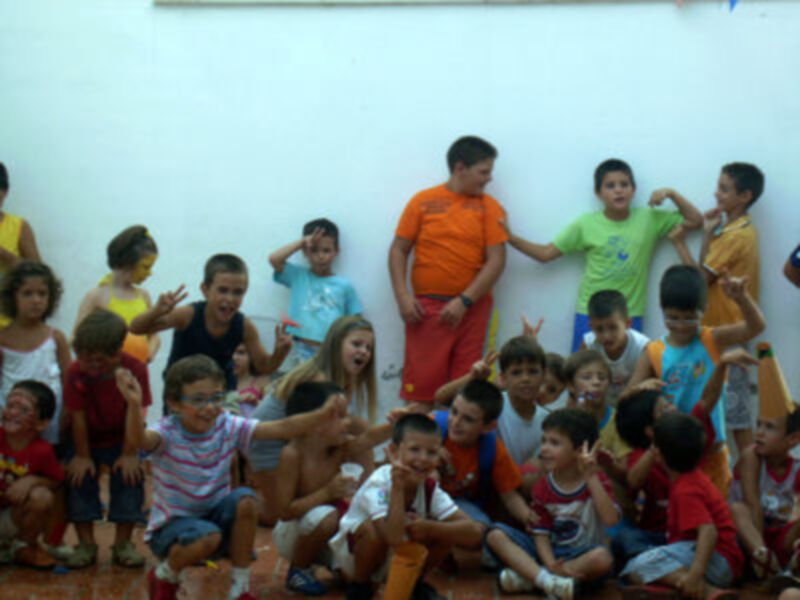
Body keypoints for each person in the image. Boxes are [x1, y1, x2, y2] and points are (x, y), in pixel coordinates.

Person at [116, 354, 347, 600]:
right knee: (208, 535)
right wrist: (133, 404)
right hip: (172, 529)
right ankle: (164, 575)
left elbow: (282, 428)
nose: (210, 407)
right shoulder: (166, 432)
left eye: (217, 397)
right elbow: (138, 440)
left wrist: (321, 415)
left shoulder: (227, 424)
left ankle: (240, 589)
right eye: (198, 400)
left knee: (247, 501)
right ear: (174, 403)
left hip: (214, 520)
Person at [503, 158, 702, 351]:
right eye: (610, 185)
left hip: (629, 314)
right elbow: (546, 254)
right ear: (598, 193)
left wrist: (672, 194)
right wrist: (512, 239)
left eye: (624, 184)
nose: (618, 189)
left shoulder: (649, 219)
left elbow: (695, 220)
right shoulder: (585, 224)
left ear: (633, 190)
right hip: (591, 313)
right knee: (583, 373)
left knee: (628, 375)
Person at [628, 265, 766, 495]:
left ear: (705, 310)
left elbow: (756, 326)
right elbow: (629, 395)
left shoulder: (711, 338)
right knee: (686, 515)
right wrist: (643, 387)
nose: (681, 325)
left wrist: (742, 299)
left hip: (712, 449)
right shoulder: (653, 350)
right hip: (674, 453)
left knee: (717, 513)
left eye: (690, 318)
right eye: (673, 318)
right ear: (662, 310)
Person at [389, 136, 507, 404]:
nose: (489, 179)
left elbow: (497, 260)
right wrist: (402, 298)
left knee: (467, 394)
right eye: (484, 172)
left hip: (472, 311)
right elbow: (398, 249)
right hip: (426, 312)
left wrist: (464, 301)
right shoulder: (423, 201)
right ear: (460, 167)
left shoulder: (489, 207)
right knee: (421, 396)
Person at [614, 347, 757, 566]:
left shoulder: (684, 437)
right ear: (649, 430)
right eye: (664, 409)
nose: (673, 407)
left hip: (691, 541)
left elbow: (708, 399)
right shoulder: (644, 455)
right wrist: (655, 446)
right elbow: (634, 479)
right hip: (658, 537)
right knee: (625, 539)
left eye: (668, 403)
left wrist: (721, 365)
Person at [329, 413, 483, 600]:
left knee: (446, 532)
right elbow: (392, 537)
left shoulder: (429, 488)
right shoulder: (379, 482)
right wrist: (398, 488)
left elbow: (475, 532)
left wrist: (432, 528)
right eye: (414, 450)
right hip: (356, 560)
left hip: (395, 557)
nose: (423, 458)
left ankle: (413, 584)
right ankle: (359, 588)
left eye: (431, 452)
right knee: (373, 531)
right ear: (394, 451)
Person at [272, 381, 405, 595]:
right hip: (294, 535)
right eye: (339, 416)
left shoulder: (339, 448)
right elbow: (284, 511)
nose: (348, 422)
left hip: (326, 532)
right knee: (328, 517)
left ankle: (335, 570)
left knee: (360, 572)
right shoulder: (292, 454)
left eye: (347, 415)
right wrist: (327, 492)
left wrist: (396, 424)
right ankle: (298, 570)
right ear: (312, 423)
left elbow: (368, 439)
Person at [670, 162, 764, 456]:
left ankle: (750, 493)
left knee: (737, 420)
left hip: (729, 335)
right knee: (719, 412)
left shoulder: (737, 235)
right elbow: (706, 270)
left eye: (725, 189)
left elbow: (698, 280)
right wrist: (709, 234)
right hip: (719, 335)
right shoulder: (732, 229)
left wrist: (679, 242)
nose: (716, 193)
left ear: (745, 195)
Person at [248, 315, 377, 525]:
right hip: (268, 444)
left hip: (295, 439)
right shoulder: (319, 379)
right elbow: (308, 438)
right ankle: (239, 503)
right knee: (280, 516)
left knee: (359, 426)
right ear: (335, 346)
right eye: (356, 344)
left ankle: (367, 502)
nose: (363, 351)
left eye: (368, 348)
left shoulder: (346, 378)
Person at [487, 408, 618, 598]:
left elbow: (610, 519)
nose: (544, 449)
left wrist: (591, 478)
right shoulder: (543, 487)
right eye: (544, 441)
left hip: (580, 557)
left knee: (602, 559)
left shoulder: (597, 481)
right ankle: (549, 582)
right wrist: (549, 563)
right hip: (548, 553)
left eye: (554, 443)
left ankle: (532, 578)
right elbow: (541, 533)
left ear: (580, 450)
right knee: (495, 535)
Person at [619, 412, 743, 599]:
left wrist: (695, 575)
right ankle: (678, 589)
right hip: (718, 559)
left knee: (635, 568)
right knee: (635, 552)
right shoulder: (692, 478)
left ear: (658, 454)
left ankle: (706, 591)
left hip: (717, 561)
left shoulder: (685, 489)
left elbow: (709, 532)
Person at [130, 253, 291, 396]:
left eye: (237, 292)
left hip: (220, 396)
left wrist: (279, 353)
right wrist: (156, 311)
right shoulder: (188, 315)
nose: (229, 299)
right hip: (181, 396)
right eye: (223, 290)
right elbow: (136, 328)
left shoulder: (244, 325)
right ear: (205, 289)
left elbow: (263, 366)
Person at [63, 310, 150, 569]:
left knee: (130, 476)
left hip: (123, 438)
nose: (90, 366)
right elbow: (76, 416)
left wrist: (129, 453)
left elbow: (136, 415)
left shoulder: (135, 369)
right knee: (78, 477)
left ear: (115, 355)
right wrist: (81, 455)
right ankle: (86, 543)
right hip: (85, 438)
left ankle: (123, 543)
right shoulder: (75, 372)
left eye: (97, 361)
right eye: (84, 358)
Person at [435, 379, 537, 535]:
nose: (455, 422)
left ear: (488, 427)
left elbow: (510, 497)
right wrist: (427, 452)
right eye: (454, 412)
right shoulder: (432, 426)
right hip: (422, 494)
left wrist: (529, 519)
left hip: (458, 503)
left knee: (482, 531)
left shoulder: (492, 449)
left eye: (468, 419)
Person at [435, 336, 547, 468]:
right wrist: (472, 377)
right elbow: (441, 397)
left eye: (532, 371)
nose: (525, 379)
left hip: (514, 481)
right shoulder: (493, 402)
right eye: (516, 373)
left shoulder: (547, 421)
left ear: (544, 375)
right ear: (503, 378)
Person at [269, 218, 363, 372]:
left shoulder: (344, 286)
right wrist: (302, 242)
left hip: (332, 352)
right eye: (314, 250)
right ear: (305, 252)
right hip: (300, 349)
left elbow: (356, 320)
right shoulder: (297, 275)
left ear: (336, 251)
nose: (320, 256)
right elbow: (274, 259)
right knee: (302, 393)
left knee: (328, 393)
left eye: (326, 250)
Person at [0, 261, 70, 444]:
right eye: (27, 294)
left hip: (48, 422)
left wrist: (66, 417)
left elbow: (70, 382)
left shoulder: (56, 338)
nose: (36, 300)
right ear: (13, 297)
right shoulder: (2, 339)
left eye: (42, 294)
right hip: (10, 421)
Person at [729, 406, 800, 579]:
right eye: (758, 424)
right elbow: (753, 505)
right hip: (749, 535)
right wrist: (762, 551)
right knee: (737, 509)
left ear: (793, 439)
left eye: (769, 427)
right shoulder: (752, 457)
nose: (759, 433)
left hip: (780, 537)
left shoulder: (797, 468)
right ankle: (764, 562)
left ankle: (787, 565)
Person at [74, 225, 160, 364]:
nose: (149, 273)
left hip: (137, 371)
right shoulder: (97, 295)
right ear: (128, 261)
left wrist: (150, 351)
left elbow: (154, 334)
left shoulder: (143, 296)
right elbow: (77, 337)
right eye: (145, 267)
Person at [0, 380, 64, 568]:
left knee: (41, 496)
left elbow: (56, 481)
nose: (12, 413)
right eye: (10, 405)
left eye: (23, 410)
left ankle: (24, 546)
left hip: (13, 516)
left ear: (42, 423)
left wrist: (32, 480)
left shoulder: (42, 451)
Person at [579, 290, 649, 406]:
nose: (607, 336)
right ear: (591, 327)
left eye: (613, 328)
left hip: (629, 405)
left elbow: (632, 391)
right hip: (598, 405)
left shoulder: (643, 348)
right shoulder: (589, 345)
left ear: (627, 323)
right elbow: (580, 385)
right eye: (599, 329)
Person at [0, 163, 42, 329]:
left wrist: (5, 255)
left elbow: (39, 274)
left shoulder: (19, 226)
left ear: (5, 193)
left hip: (8, 321)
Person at [229, 343, 271, 418]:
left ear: (251, 356)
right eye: (229, 352)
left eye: (241, 352)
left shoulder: (261, 381)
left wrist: (256, 403)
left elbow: (272, 413)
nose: (234, 357)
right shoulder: (219, 381)